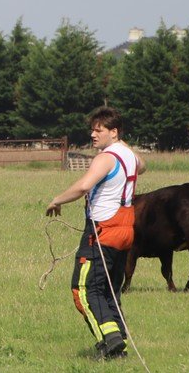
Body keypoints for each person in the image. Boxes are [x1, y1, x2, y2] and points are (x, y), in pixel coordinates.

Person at [45, 107, 146, 358]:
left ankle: (109, 340)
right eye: (92, 129)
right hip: (125, 230)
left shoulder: (106, 158)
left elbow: (83, 186)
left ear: (113, 132)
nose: (93, 134)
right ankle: (118, 339)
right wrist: (121, 142)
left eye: (98, 130)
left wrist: (56, 200)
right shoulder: (129, 155)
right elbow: (142, 166)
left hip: (102, 232)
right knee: (109, 290)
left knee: (84, 289)